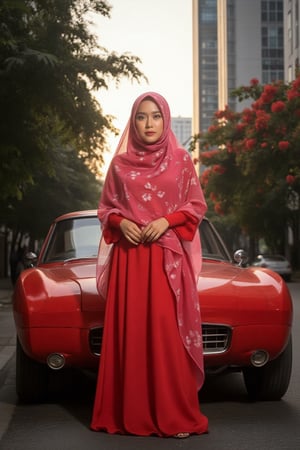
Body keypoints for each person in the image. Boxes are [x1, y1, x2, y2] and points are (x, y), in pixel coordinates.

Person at [90, 92, 208, 438]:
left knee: (166, 336)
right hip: (131, 260)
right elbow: (105, 208)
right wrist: (119, 222)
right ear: (133, 121)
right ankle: (128, 413)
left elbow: (196, 205)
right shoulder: (120, 165)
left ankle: (174, 414)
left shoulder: (182, 160)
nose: (149, 124)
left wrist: (167, 221)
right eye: (141, 117)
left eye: (156, 116)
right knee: (132, 335)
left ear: (166, 119)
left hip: (166, 261)